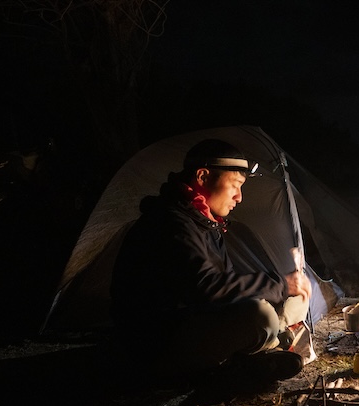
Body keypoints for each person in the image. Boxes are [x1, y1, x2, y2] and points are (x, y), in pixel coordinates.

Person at [110, 138, 312, 385]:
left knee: (289, 302)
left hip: (192, 323)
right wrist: (279, 285)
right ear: (203, 177)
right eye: (235, 185)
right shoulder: (170, 223)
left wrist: (279, 290)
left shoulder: (204, 224)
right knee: (260, 315)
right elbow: (206, 287)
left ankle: (266, 344)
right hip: (156, 344)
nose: (239, 197)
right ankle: (252, 354)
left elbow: (224, 287)